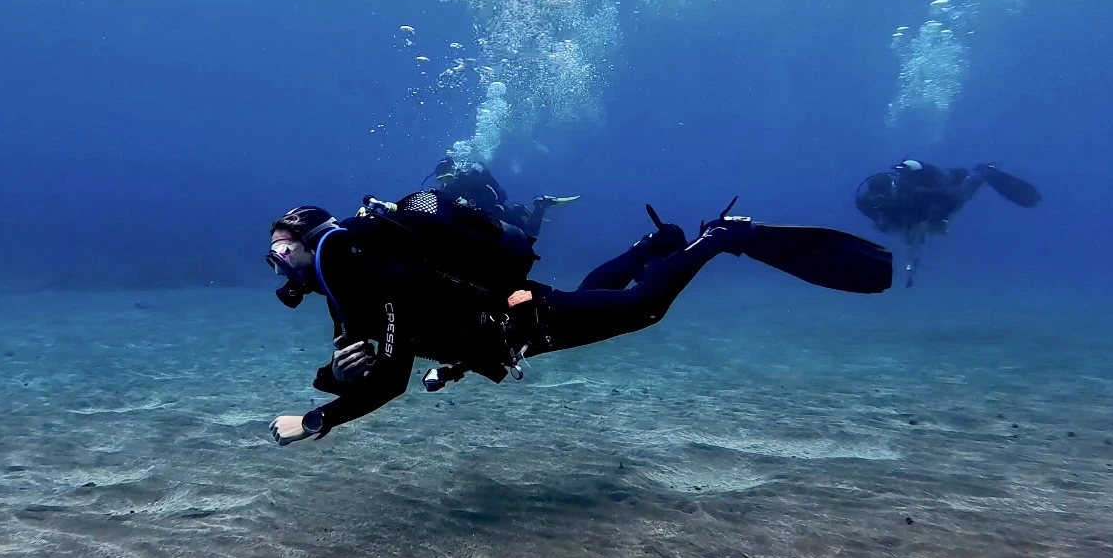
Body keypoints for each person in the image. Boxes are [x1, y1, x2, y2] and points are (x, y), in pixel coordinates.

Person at [261, 191, 894, 445]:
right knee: (591, 298)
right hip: (514, 322)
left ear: (300, 242)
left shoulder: (363, 272)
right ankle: (654, 246)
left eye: (277, 250)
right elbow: (415, 335)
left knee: (643, 308)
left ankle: (721, 237)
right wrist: (441, 370)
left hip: (524, 322)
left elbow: (392, 369)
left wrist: (322, 417)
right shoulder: (364, 273)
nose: (277, 265)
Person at [853, 160, 1041, 287]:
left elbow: (950, 195)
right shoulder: (868, 202)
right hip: (916, 215)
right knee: (913, 232)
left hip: (938, 200)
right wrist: (880, 220)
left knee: (960, 195)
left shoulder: (916, 192)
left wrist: (941, 217)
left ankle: (982, 172)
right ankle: (913, 268)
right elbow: (908, 235)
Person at [429, 156, 579, 240]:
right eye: (442, 179)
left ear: (454, 170)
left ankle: (540, 203)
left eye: (447, 177)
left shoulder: (470, 177)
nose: (446, 182)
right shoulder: (449, 188)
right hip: (484, 219)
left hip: (495, 211)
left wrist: (469, 203)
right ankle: (519, 210)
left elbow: (494, 197)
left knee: (530, 233)